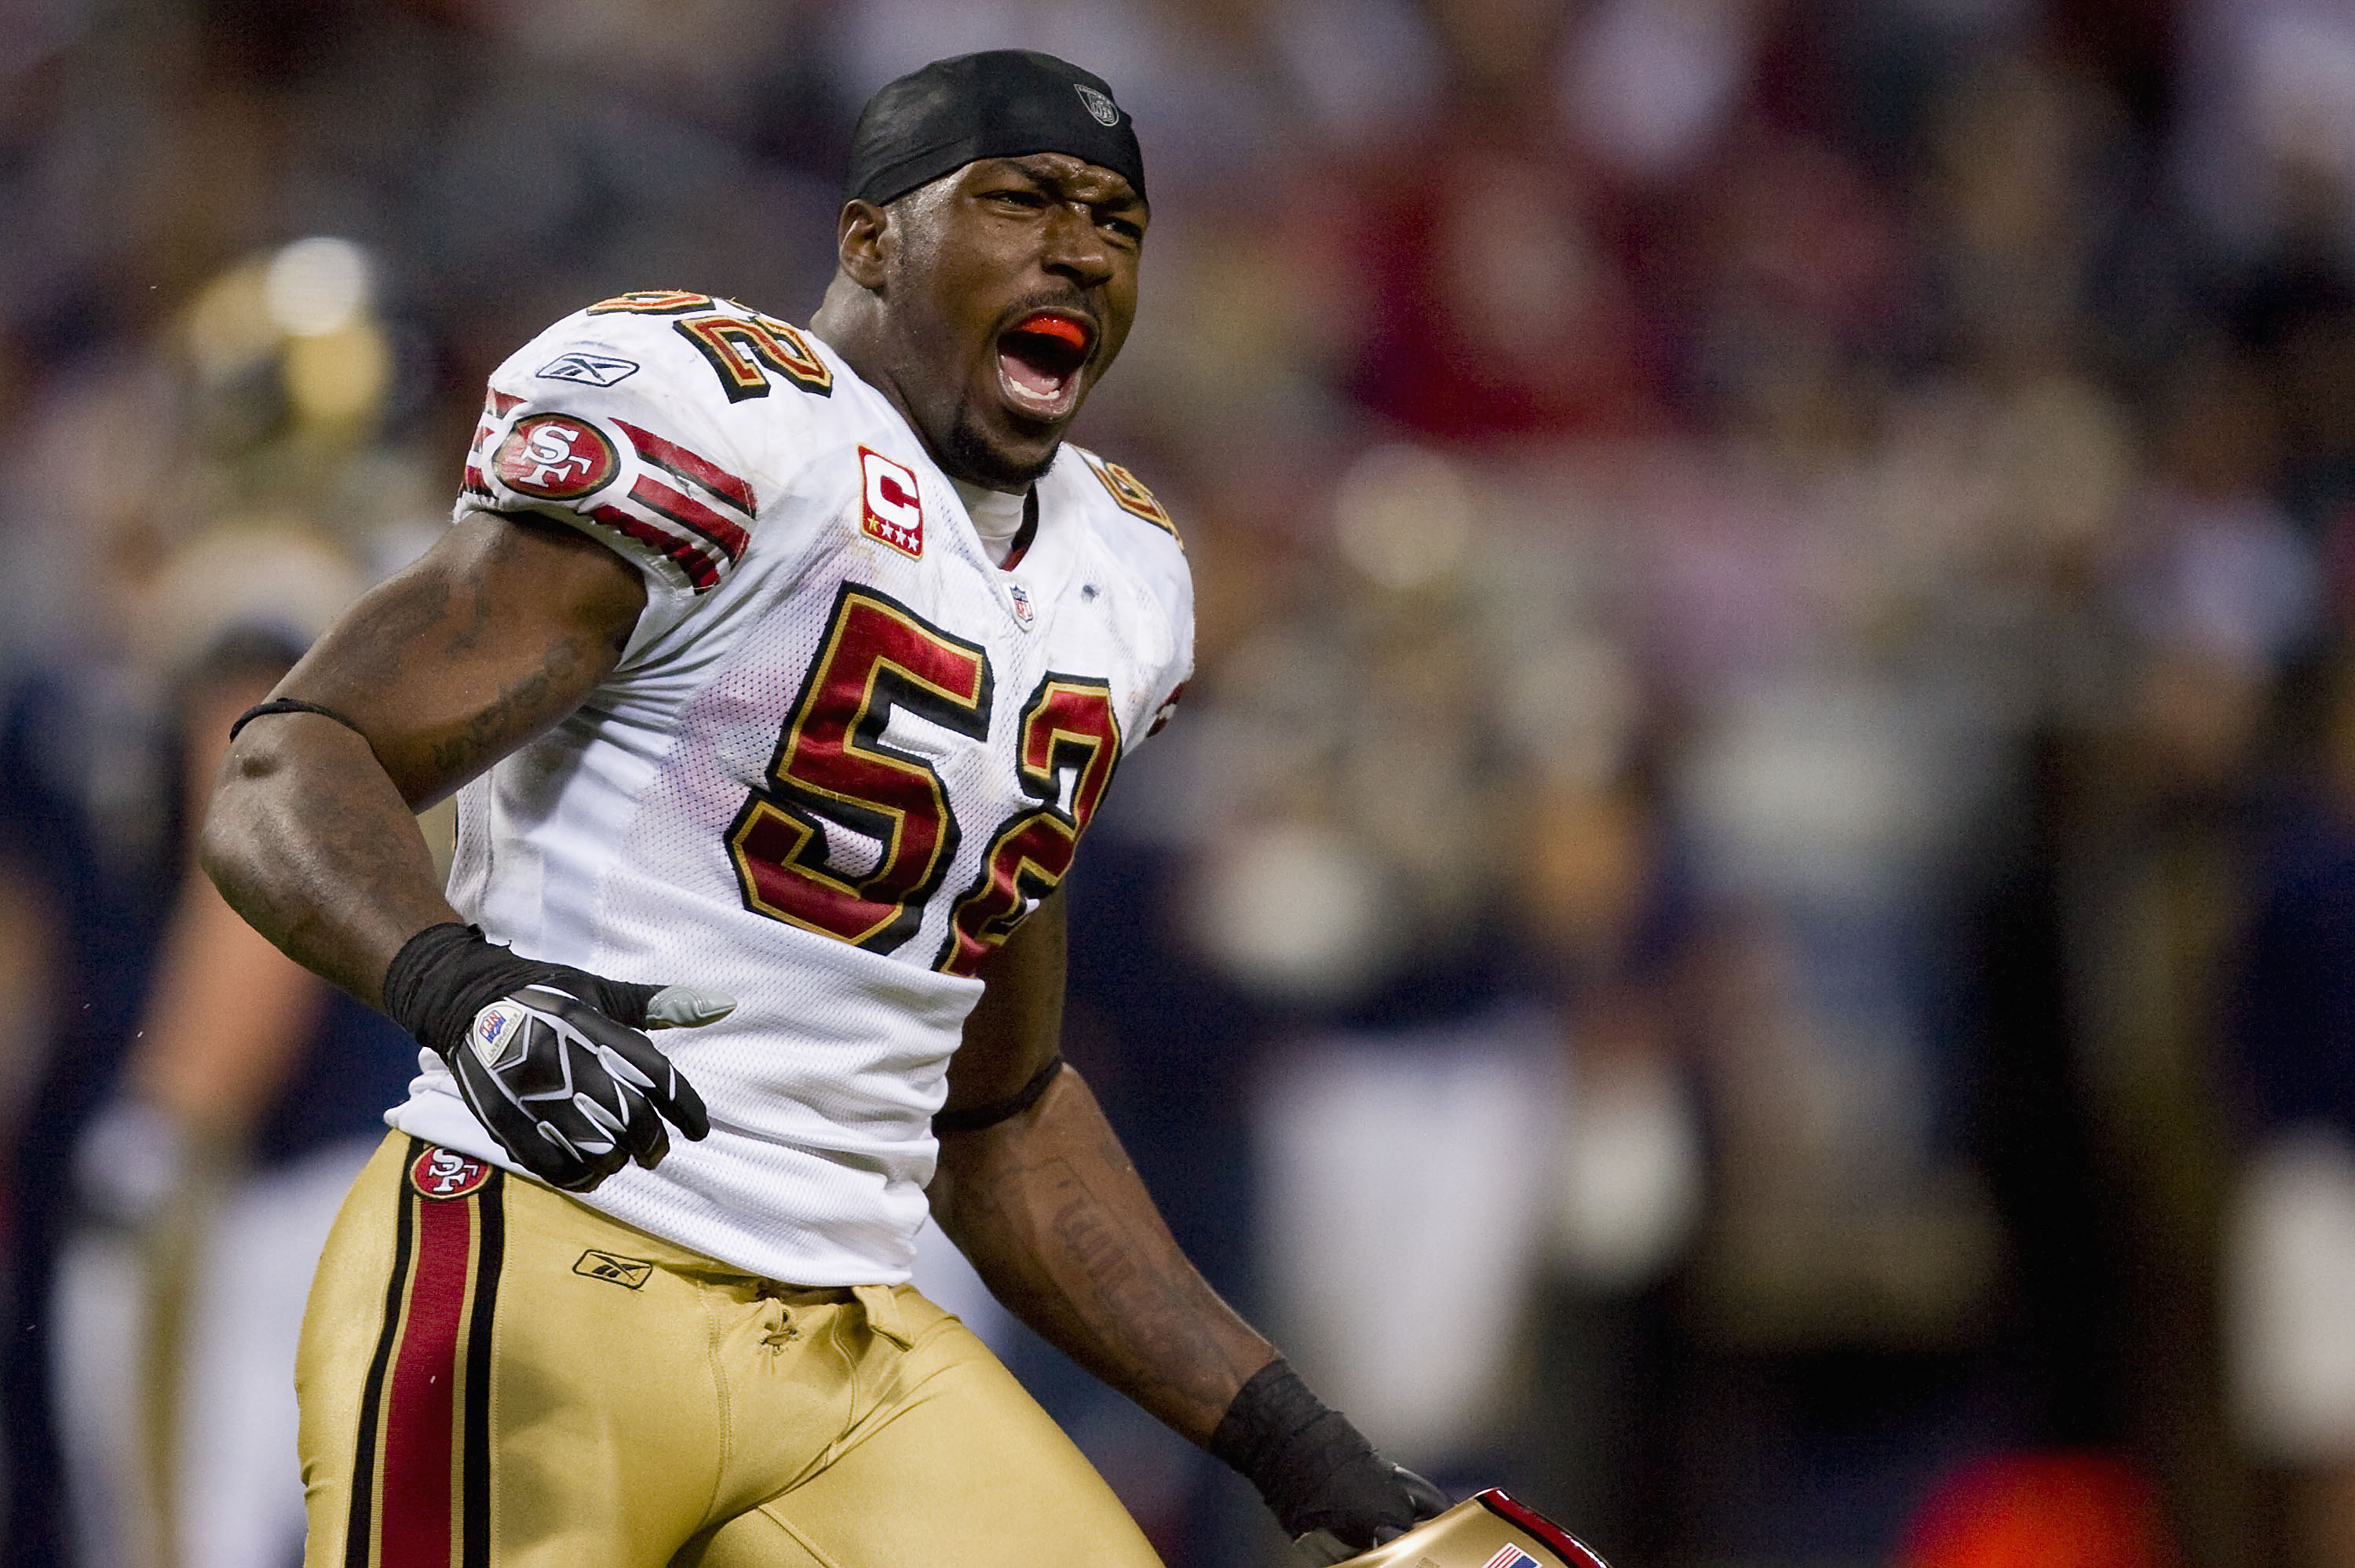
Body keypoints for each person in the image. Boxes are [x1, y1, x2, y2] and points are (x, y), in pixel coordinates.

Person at [200, 49, 1444, 1567]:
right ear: (869, 239)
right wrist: (463, 988)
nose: (1080, 248)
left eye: (1117, 221)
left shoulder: (1118, 578)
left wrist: (1299, 1442)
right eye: (1022, 199)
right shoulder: (730, 418)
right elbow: (292, 762)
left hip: (852, 1330)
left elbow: (999, 1109)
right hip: (541, 1245)